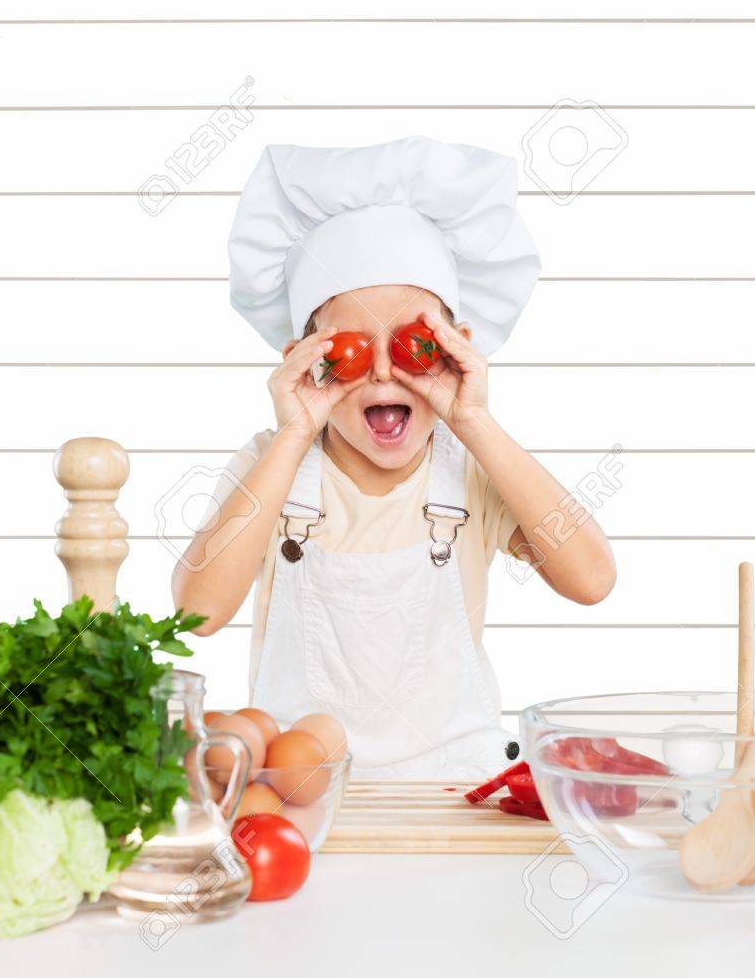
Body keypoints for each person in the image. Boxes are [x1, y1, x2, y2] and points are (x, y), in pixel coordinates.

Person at [173, 137, 615, 777]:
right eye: (349, 350)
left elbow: (592, 579)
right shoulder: (271, 468)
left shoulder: (472, 469)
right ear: (305, 359)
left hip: (454, 791)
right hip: (303, 801)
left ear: (458, 346)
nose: (383, 372)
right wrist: (294, 435)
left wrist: (475, 420)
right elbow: (198, 613)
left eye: (413, 346)